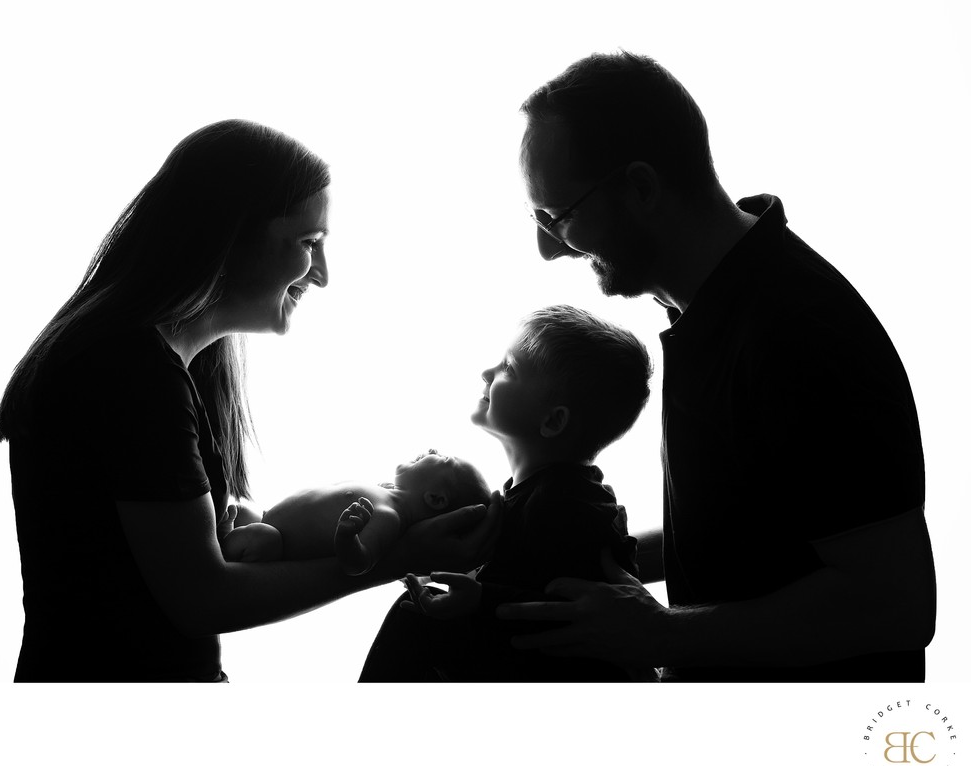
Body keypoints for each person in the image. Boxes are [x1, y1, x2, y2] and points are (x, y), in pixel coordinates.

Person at [0, 119, 500, 682]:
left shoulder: (156, 365)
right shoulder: (129, 373)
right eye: (309, 243)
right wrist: (401, 559)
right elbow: (202, 598)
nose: (322, 276)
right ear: (229, 236)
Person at [497, 51, 936, 682]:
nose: (546, 249)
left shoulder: (799, 331)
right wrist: (568, 551)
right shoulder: (711, 306)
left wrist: (658, 633)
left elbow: (895, 606)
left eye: (557, 218)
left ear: (642, 187)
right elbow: (753, 543)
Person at [361, 304, 656, 682]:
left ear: (552, 421)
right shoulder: (536, 491)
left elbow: (574, 610)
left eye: (508, 369)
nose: (487, 373)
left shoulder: (568, 504)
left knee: (412, 615)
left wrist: (481, 598)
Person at [219, 449, 491, 575]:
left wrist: (348, 537)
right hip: (266, 519)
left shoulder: (389, 516)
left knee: (256, 536)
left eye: (443, 458)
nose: (431, 449)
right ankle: (222, 541)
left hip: (273, 543)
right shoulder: (387, 495)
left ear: (436, 499)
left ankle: (220, 549)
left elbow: (359, 563)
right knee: (239, 511)